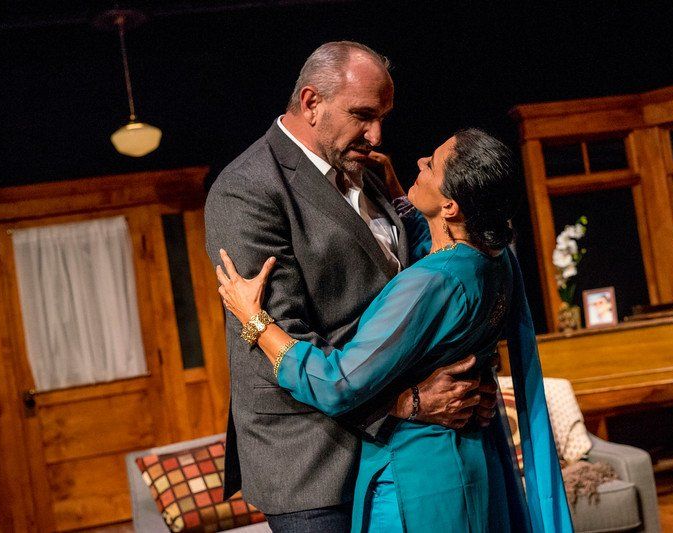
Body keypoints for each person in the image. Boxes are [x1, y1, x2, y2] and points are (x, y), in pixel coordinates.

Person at [216, 129, 574, 532]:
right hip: (470, 464)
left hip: (417, 481)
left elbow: (339, 381)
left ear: (452, 205)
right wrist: (401, 199)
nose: (420, 162)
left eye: (432, 166)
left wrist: (255, 321)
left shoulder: (428, 284)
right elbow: (437, 242)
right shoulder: (496, 263)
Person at [205, 41, 498, 532]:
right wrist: (409, 402)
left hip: (399, 452)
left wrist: (470, 379)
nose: (376, 133)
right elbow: (276, 335)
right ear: (311, 102)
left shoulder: (367, 169)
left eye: (382, 116)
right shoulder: (248, 189)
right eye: (362, 115)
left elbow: (420, 289)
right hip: (315, 461)